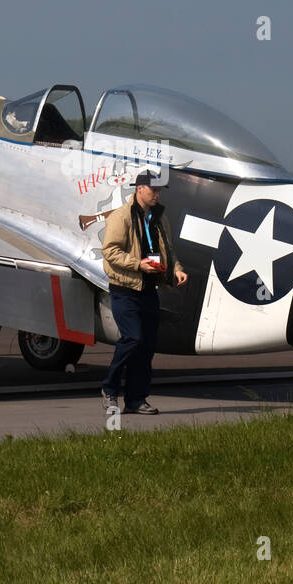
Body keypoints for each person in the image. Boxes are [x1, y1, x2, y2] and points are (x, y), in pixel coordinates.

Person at [100, 171, 187, 415]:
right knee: (132, 338)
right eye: (153, 190)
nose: (157, 195)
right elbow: (110, 251)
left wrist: (177, 270)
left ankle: (136, 399)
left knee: (146, 346)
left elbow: (168, 250)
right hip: (124, 289)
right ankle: (109, 389)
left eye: (159, 191)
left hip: (149, 289)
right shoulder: (121, 217)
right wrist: (138, 264)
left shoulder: (160, 218)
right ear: (139, 189)